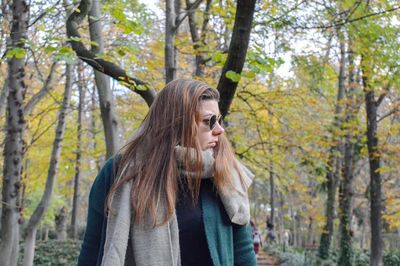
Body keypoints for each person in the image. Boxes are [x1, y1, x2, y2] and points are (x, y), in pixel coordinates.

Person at [78, 79, 256, 266]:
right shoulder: (120, 173)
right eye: (208, 121)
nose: (219, 130)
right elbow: (91, 252)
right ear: (176, 123)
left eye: (218, 120)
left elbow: (243, 252)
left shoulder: (226, 174)